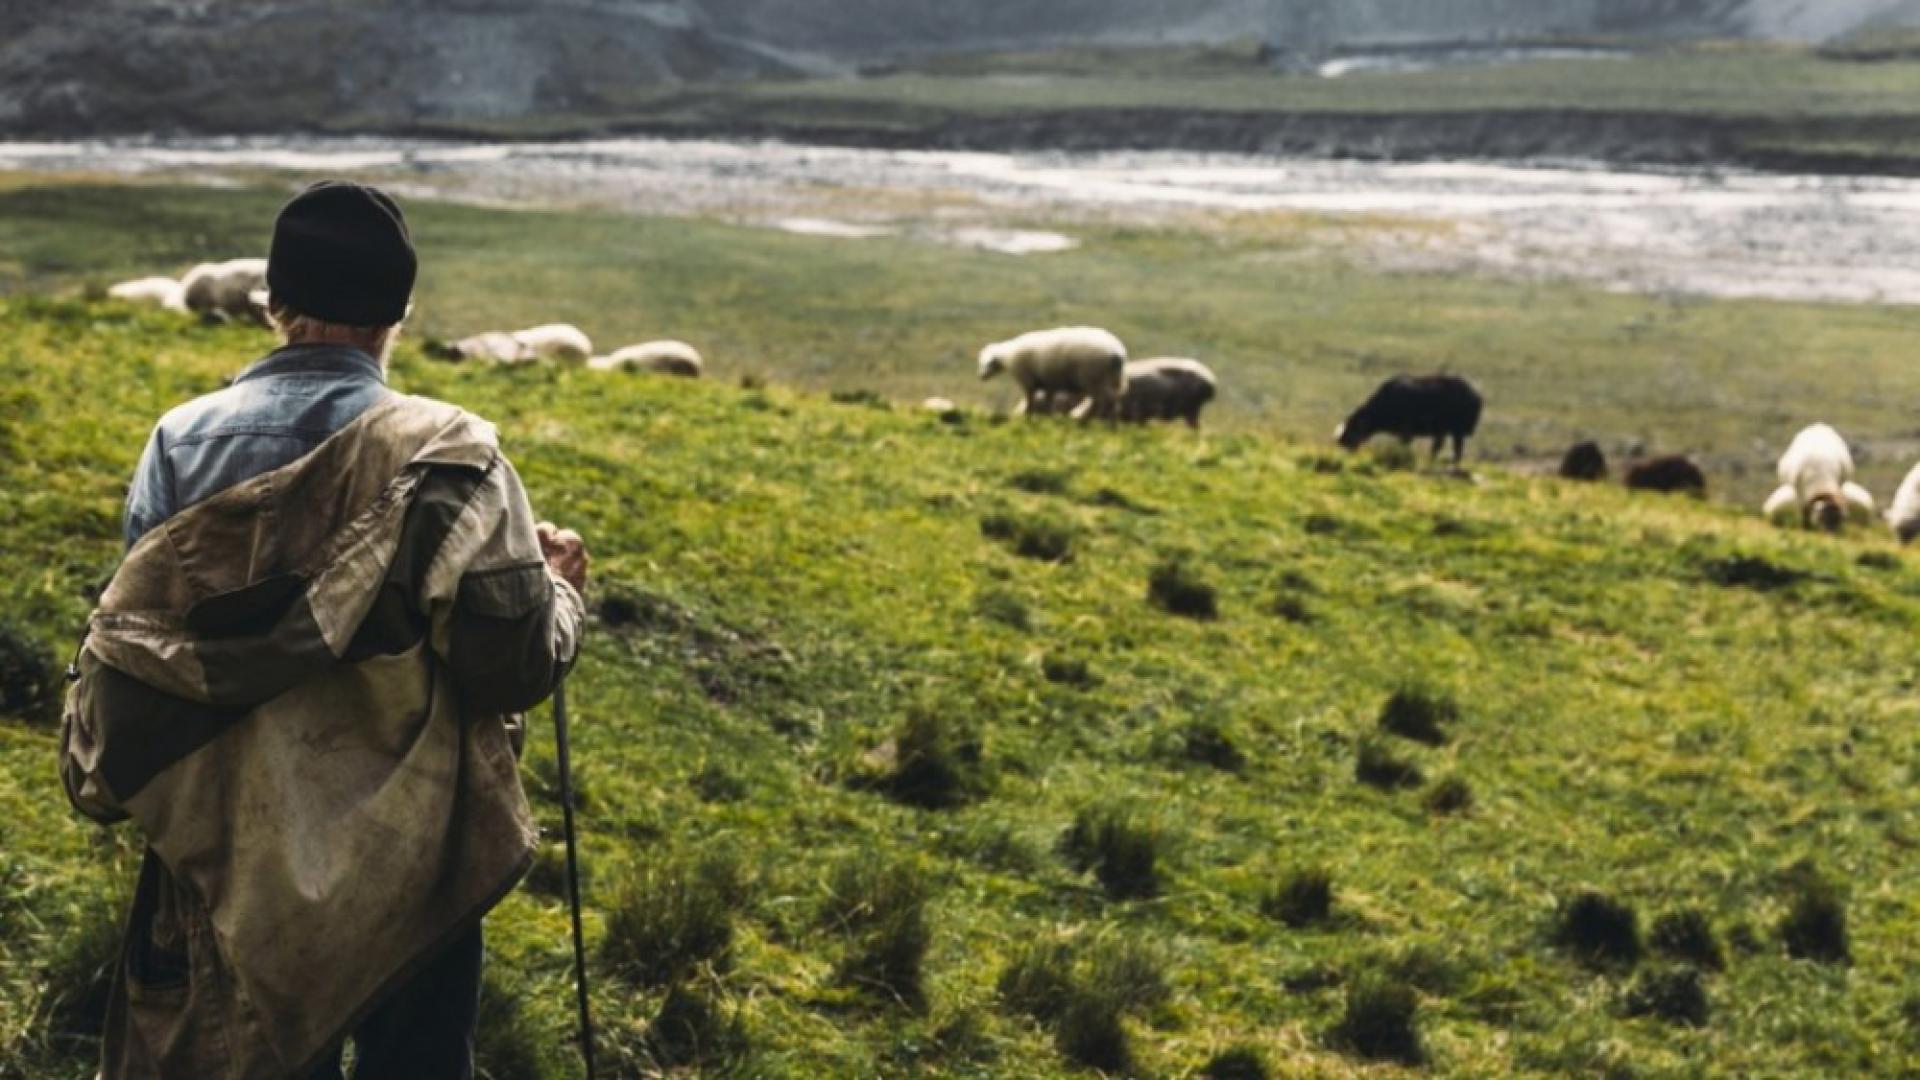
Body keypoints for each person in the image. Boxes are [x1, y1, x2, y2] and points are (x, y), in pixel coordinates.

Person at [59, 180, 589, 1079]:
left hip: (231, 850)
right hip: (412, 861)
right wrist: (561, 595)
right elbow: (510, 669)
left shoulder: (177, 445)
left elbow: (147, 638)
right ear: (399, 314)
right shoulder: (453, 459)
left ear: (273, 302)